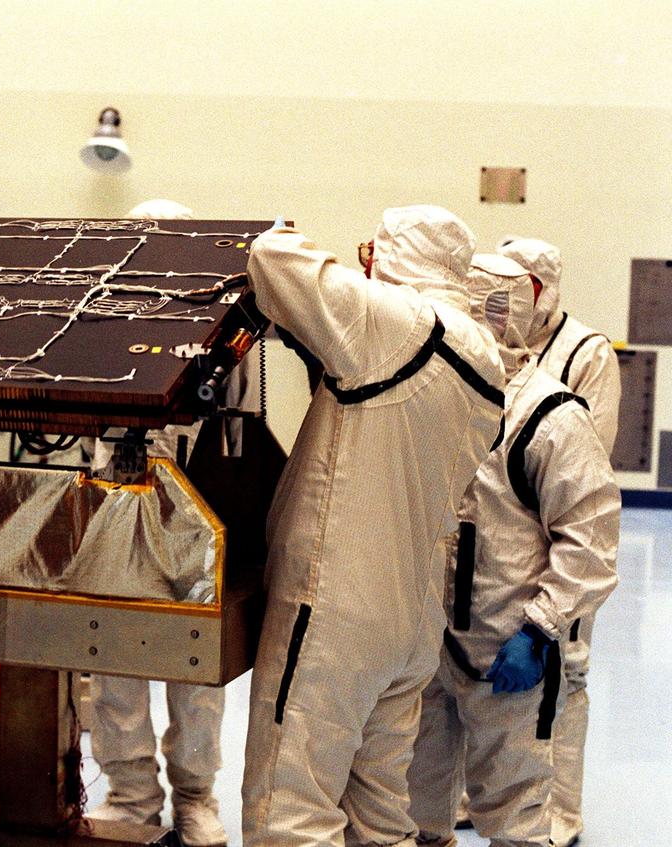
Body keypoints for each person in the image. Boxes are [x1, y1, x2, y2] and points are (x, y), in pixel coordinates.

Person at [239, 206, 506, 847]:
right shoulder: (485, 356)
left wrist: (281, 227)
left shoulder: (395, 325)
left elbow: (271, 258)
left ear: (388, 257)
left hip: (336, 611)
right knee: (381, 816)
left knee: (291, 808)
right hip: (410, 619)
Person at [406, 254, 620, 847]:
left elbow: (591, 538)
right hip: (424, 642)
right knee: (412, 808)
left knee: (515, 814)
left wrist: (541, 629)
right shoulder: (431, 396)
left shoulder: (549, 415)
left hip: (507, 645)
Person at [87, 199, 228, 847]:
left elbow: (235, 439)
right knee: (114, 668)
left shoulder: (222, 337)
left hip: (191, 524)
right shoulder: (101, 322)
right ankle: (130, 795)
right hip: (114, 517)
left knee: (193, 674)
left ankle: (195, 795)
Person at [496, 236, 620, 847]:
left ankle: (559, 816)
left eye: (521, 288)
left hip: (560, 549)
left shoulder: (585, 353)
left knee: (564, 680)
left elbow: (585, 468)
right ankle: (491, 798)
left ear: (544, 290)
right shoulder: (488, 341)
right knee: (487, 691)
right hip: (498, 555)